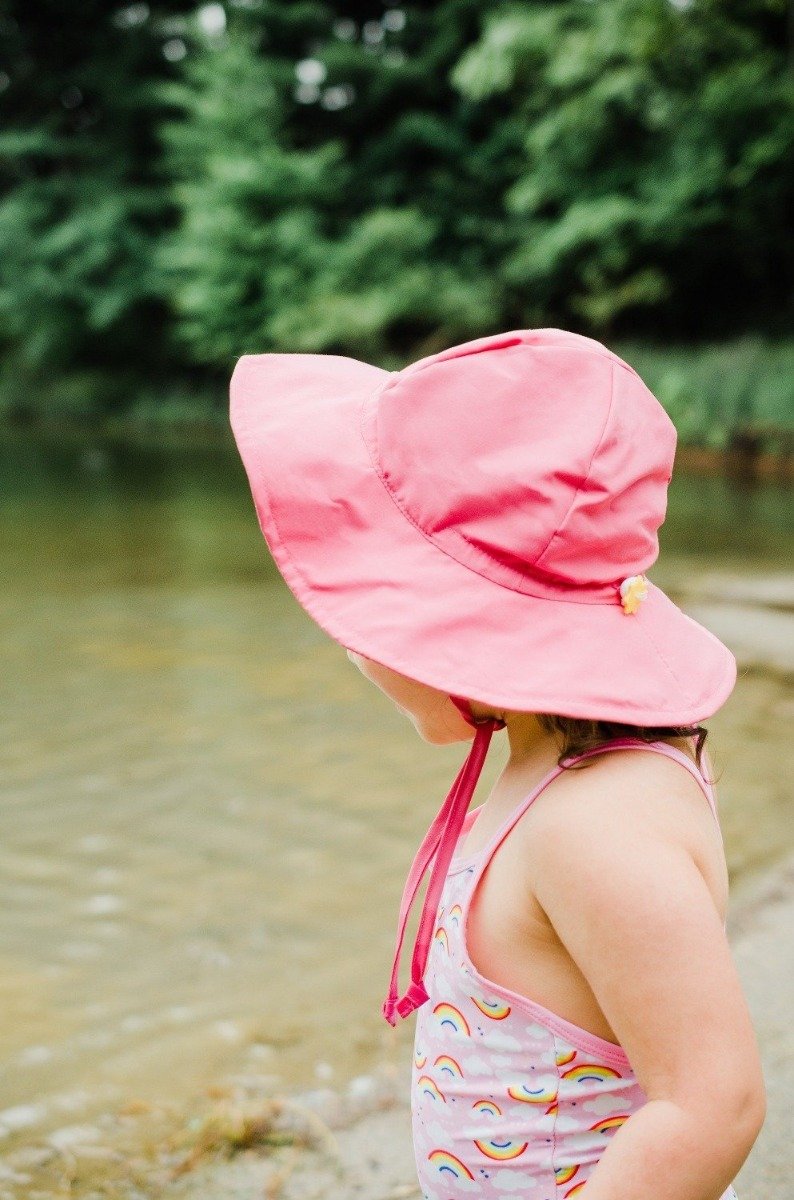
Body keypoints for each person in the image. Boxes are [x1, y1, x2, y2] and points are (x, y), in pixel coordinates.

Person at [230, 328, 765, 1200]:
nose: (353, 652)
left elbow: (713, 1106)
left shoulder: (599, 827)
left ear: (465, 626)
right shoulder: (557, 772)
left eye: (372, 618)